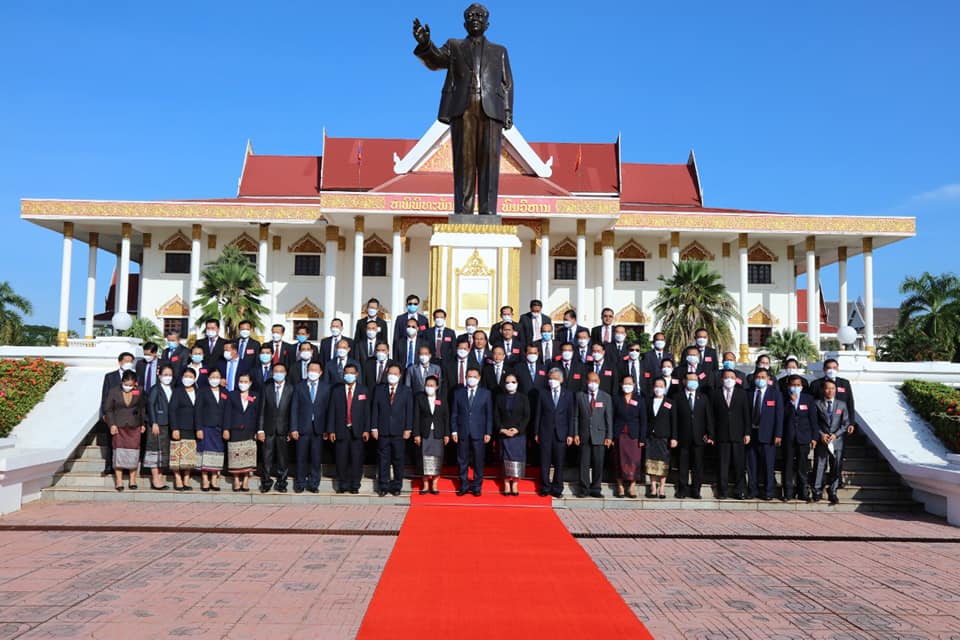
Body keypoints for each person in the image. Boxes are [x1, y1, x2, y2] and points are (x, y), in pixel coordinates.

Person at [412, 4, 513, 215]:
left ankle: (488, 212)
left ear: (487, 23)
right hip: (463, 109)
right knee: (464, 162)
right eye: (470, 15)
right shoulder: (454, 46)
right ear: (464, 23)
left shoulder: (499, 51)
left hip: (491, 111)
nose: (475, 18)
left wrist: (507, 112)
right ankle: (463, 212)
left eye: (480, 15)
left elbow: (507, 84)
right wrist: (425, 44)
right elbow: (436, 60)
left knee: (489, 163)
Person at [810, 359, 856, 487]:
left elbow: (850, 403)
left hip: (839, 427)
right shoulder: (816, 384)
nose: (832, 370)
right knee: (820, 460)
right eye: (829, 367)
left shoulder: (844, 383)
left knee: (837, 459)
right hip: (822, 428)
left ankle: (836, 483)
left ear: (838, 368)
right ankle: (819, 484)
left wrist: (851, 423)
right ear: (824, 369)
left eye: (834, 367)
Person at [328, 364, 372, 494]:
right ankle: (342, 485)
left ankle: (355, 485)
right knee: (341, 459)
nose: (349, 375)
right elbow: (331, 411)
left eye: (352, 373)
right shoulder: (336, 390)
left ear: (357, 374)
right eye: (347, 373)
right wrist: (331, 430)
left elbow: (367, 412)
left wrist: (366, 429)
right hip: (341, 430)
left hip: (358, 430)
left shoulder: (363, 390)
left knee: (356, 459)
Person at [371, 364, 414, 496]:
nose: (392, 376)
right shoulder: (379, 389)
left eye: (395, 374)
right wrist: (374, 427)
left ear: (400, 376)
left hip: (399, 431)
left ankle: (396, 486)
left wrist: (408, 428)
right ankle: (383, 486)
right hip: (383, 430)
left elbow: (409, 411)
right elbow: (375, 409)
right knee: (383, 459)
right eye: (390, 373)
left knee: (398, 459)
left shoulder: (406, 390)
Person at [290, 361, 331, 493]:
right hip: (302, 428)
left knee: (316, 458)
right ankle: (300, 483)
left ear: (321, 372)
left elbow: (329, 410)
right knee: (301, 457)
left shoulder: (326, 388)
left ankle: (314, 484)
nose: (312, 372)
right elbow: (294, 408)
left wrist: (328, 429)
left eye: (315, 370)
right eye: (310, 370)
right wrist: (294, 428)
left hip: (319, 429)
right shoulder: (299, 387)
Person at [451, 367, 493, 496]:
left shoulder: (485, 393)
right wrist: (454, 431)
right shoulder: (458, 393)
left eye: (474, 376)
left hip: (479, 432)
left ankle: (477, 486)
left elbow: (489, 415)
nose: (471, 379)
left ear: (479, 378)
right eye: (469, 376)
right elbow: (454, 413)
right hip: (462, 431)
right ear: (465, 377)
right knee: (462, 460)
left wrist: (488, 432)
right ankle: (463, 485)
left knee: (478, 460)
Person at [673, 371, 714, 499]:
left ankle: (696, 490)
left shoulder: (703, 398)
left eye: (695, 380)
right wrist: (674, 436)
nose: (693, 382)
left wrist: (710, 434)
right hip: (683, 437)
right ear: (684, 381)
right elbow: (674, 419)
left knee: (698, 465)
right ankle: (682, 489)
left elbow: (708, 417)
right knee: (683, 465)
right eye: (690, 380)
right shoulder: (677, 397)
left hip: (699, 437)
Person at [711, 368, 751, 499]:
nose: (729, 380)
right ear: (722, 379)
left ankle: (740, 491)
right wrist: (711, 434)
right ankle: (722, 491)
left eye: (732, 378)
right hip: (721, 435)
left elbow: (746, 414)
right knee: (722, 465)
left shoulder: (742, 393)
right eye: (726, 377)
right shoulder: (715, 393)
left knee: (739, 465)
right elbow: (711, 416)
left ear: (736, 380)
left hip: (738, 435)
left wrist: (747, 433)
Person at [104, 370, 146, 491]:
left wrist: (143, 423)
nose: (128, 387)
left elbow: (142, 407)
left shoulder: (139, 390)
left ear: (135, 384)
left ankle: (132, 479)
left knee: (134, 452)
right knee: (119, 453)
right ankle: (119, 480)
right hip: (119, 426)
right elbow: (108, 409)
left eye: (131, 385)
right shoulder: (114, 391)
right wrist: (112, 424)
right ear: (122, 382)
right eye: (126, 384)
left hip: (134, 425)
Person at [536, 368, 574, 498]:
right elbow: (538, 414)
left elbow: (571, 416)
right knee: (544, 462)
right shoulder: (543, 393)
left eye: (556, 378)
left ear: (561, 380)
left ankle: (557, 488)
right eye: (550, 378)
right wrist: (536, 432)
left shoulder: (568, 394)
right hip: (545, 432)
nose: (553, 381)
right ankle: (545, 487)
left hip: (561, 433)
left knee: (559, 463)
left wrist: (570, 434)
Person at [574, 371, 614, 498]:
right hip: (584, 434)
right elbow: (576, 417)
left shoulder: (606, 397)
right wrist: (575, 434)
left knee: (598, 463)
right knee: (583, 464)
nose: (593, 383)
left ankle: (596, 488)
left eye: (595, 381)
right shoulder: (580, 396)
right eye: (591, 381)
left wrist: (609, 436)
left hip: (600, 435)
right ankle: (584, 489)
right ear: (586, 382)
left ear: (599, 382)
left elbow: (609, 418)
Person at [746, 368, 784, 500]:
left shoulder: (775, 394)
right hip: (751, 434)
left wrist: (778, 434)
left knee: (768, 465)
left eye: (763, 377)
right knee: (752, 465)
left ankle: (769, 492)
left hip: (768, 435)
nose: (760, 380)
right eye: (758, 377)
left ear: (768, 379)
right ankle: (753, 490)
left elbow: (779, 416)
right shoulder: (749, 393)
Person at [257, 362, 294, 493]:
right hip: (268, 428)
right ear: (272, 373)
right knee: (266, 457)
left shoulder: (291, 388)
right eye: (276, 371)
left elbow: (293, 411)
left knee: (283, 458)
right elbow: (261, 410)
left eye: (281, 371)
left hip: (284, 429)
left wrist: (291, 429)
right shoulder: (266, 388)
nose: (278, 373)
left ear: (285, 373)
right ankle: (266, 482)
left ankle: (282, 482)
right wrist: (260, 429)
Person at [813, 379, 850, 504]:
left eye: (833, 388)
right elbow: (814, 422)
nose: (830, 391)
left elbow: (845, 423)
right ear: (823, 390)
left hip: (836, 440)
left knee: (836, 466)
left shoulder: (842, 404)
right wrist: (821, 434)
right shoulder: (817, 403)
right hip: (822, 440)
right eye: (827, 388)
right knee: (819, 466)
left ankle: (833, 491)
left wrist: (836, 435)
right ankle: (817, 490)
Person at [782, 374, 818, 502]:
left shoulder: (808, 399)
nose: (795, 387)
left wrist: (814, 437)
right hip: (788, 437)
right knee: (788, 464)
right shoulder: (784, 398)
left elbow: (813, 419)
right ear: (788, 386)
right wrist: (791, 402)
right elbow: (781, 416)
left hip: (804, 436)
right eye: (793, 385)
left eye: (798, 385)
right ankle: (788, 492)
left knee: (802, 466)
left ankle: (803, 492)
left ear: (802, 386)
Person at [494, 372, 530, 496]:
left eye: (513, 382)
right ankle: (506, 483)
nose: (510, 384)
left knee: (517, 458)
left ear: (517, 383)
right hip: (504, 434)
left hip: (518, 435)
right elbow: (496, 415)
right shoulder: (499, 398)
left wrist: (518, 429)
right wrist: (502, 429)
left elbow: (526, 416)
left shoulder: (523, 398)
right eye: (508, 382)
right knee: (505, 458)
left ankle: (514, 482)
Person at [100, 351, 135, 475]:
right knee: (112, 441)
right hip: (113, 414)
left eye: (131, 361)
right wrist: (103, 413)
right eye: (126, 361)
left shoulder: (135, 377)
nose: (129, 363)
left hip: (129, 416)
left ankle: (126, 467)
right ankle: (109, 466)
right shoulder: (110, 376)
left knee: (127, 443)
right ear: (120, 362)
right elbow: (105, 396)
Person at [224, 372, 260, 491]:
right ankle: (236, 480)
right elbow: (227, 413)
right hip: (235, 429)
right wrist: (226, 429)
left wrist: (257, 430)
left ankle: (245, 480)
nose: (243, 384)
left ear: (250, 383)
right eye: (241, 381)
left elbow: (257, 414)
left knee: (248, 455)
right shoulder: (232, 395)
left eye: (245, 382)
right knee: (235, 455)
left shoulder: (255, 396)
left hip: (250, 429)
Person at [414, 374, 449, 494]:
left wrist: (447, 434)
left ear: (437, 387)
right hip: (424, 432)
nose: (429, 387)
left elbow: (446, 417)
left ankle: (434, 484)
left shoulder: (442, 399)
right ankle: (425, 485)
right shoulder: (420, 398)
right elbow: (416, 417)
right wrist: (416, 434)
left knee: (437, 458)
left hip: (438, 433)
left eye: (432, 385)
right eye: (427, 385)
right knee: (424, 458)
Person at [613, 375, 646, 499]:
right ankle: (620, 486)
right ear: (621, 385)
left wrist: (642, 438)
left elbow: (643, 420)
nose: (627, 385)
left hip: (634, 435)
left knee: (634, 461)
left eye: (630, 383)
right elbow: (612, 417)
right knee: (619, 460)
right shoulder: (616, 399)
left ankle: (632, 486)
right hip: (619, 434)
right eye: (625, 383)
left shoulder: (639, 400)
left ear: (634, 385)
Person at [195, 367, 226, 491]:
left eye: (217, 377)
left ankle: (214, 478)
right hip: (206, 427)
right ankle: (205, 479)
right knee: (205, 452)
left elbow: (227, 411)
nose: (215, 379)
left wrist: (226, 428)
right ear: (208, 379)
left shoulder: (225, 392)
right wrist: (198, 428)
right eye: (212, 377)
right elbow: (197, 410)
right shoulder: (202, 391)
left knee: (217, 453)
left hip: (219, 428)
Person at [144, 363, 174, 490]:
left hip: (168, 424)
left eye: (170, 375)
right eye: (165, 374)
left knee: (163, 452)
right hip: (157, 424)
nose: (168, 377)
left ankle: (160, 477)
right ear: (159, 375)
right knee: (154, 451)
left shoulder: (172, 388)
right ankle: (155, 479)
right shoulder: (155, 388)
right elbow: (151, 405)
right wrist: (154, 422)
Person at [168, 366, 198, 490]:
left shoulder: (198, 391)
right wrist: (174, 428)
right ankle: (178, 478)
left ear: (195, 378)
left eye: (190, 377)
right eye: (186, 376)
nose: (188, 379)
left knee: (189, 455)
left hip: (193, 428)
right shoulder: (177, 391)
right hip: (179, 427)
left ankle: (186, 478)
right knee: (177, 454)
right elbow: (172, 410)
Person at [646, 377, 675, 499]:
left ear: (665, 387)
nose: (658, 388)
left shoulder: (670, 402)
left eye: (661, 386)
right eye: (656, 386)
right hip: (650, 437)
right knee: (651, 462)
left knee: (663, 463)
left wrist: (674, 437)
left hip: (664, 437)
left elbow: (674, 421)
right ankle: (653, 487)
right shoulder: (648, 401)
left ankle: (662, 487)